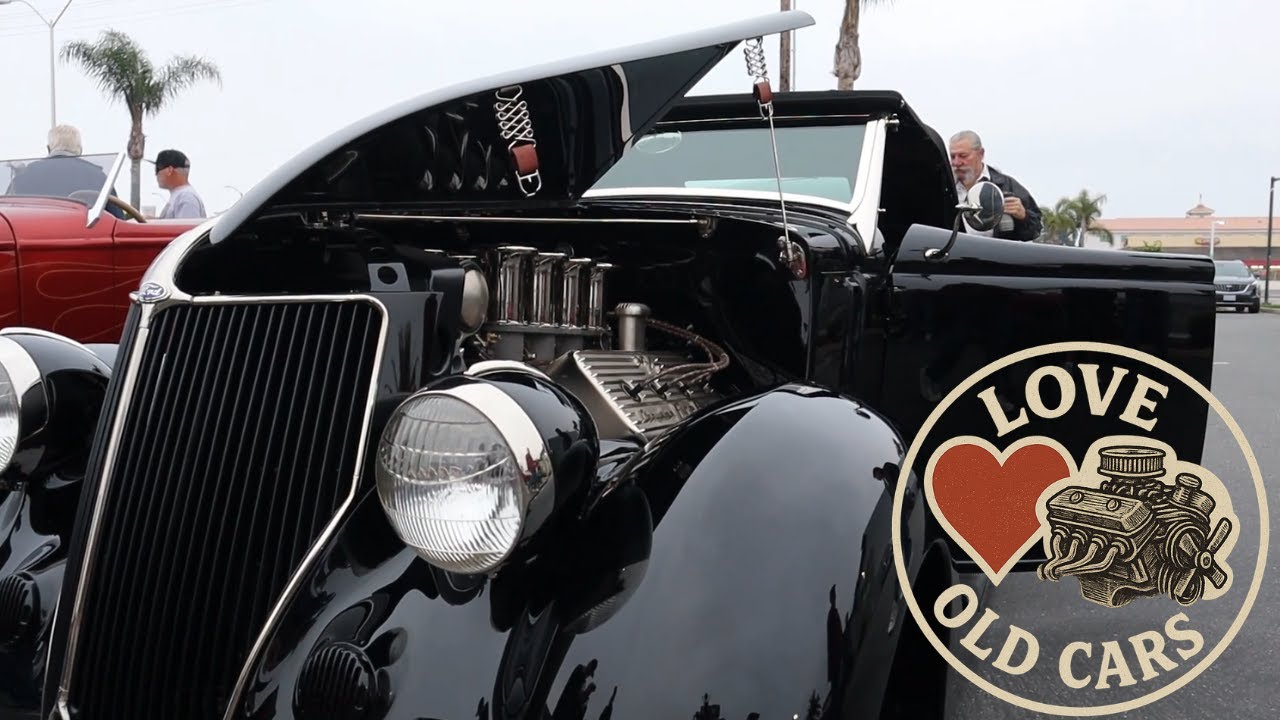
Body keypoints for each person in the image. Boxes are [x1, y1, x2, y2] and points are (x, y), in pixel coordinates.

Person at [949, 130, 1043, 241]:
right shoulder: (944, 189)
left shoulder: (1007, 186)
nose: (957, 162)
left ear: (981, 154)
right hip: (955, 255)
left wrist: (1023, 216)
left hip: (995, 256)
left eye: (963, 156)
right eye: (953, 156)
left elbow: (1036, 230)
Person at [155, 149, 207, 218]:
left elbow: (187, 227)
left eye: (157, 169)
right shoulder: (181, 195)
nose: (156, 174)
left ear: (169, 170)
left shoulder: (186, 197)